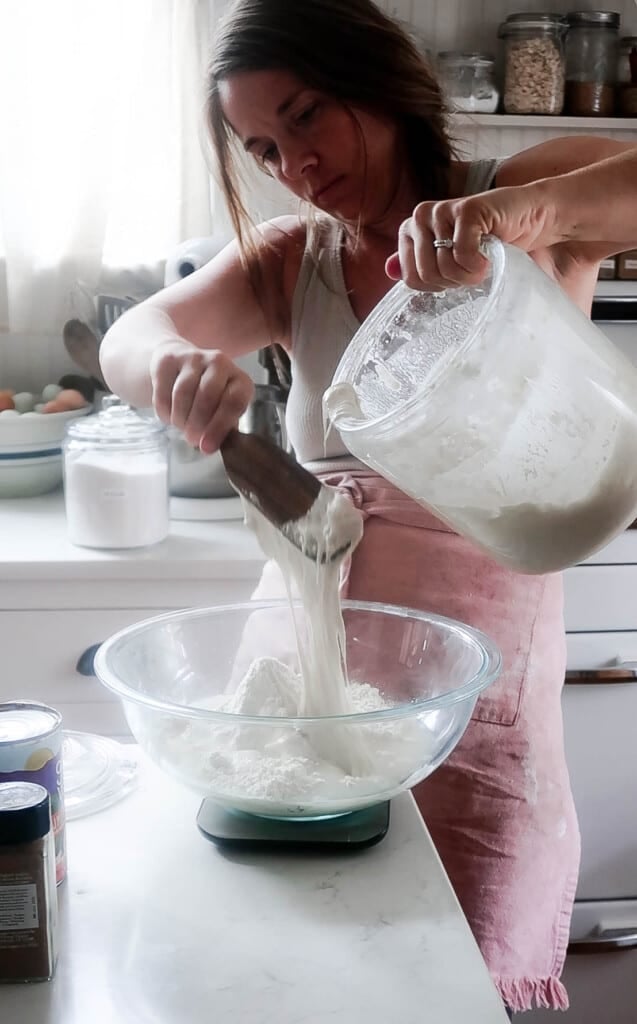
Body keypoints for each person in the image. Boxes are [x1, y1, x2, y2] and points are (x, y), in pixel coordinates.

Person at [99, 0, 637, 1013]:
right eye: (263, 145)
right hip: (307, 696)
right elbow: (134, 332)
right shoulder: (288, 263)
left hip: (468, 707)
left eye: (306, 116)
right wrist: (167, 367)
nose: (292, 163)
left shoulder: (512, 201)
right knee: (314, 967)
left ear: (376, 83)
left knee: (455, 970)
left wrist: (533, 218)